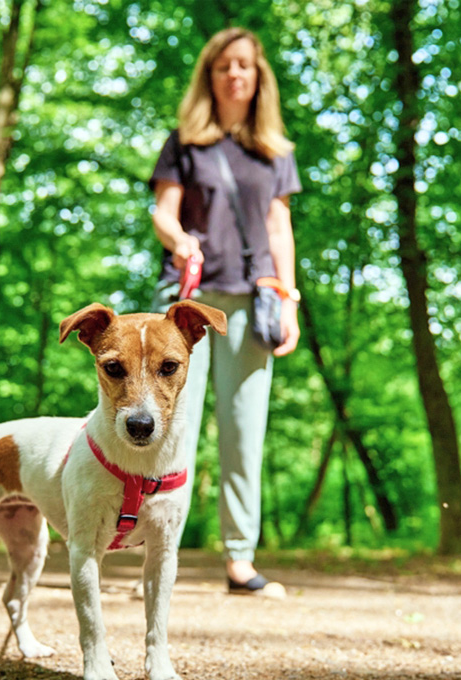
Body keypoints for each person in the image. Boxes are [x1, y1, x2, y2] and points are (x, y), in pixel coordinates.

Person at [149, 27, 301, 597]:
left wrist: (288, 297)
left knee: (244, 434)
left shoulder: (274, 152)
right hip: (192, 308)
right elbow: (163, 212)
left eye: (244, 65)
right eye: (223, 66)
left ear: (258, 76)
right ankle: (163, 547)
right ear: (209, 76)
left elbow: (278, 226)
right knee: (175, 428)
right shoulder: (184, 143)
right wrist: (180, 239)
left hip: (256, 302)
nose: (234, 74)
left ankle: (240, 561)